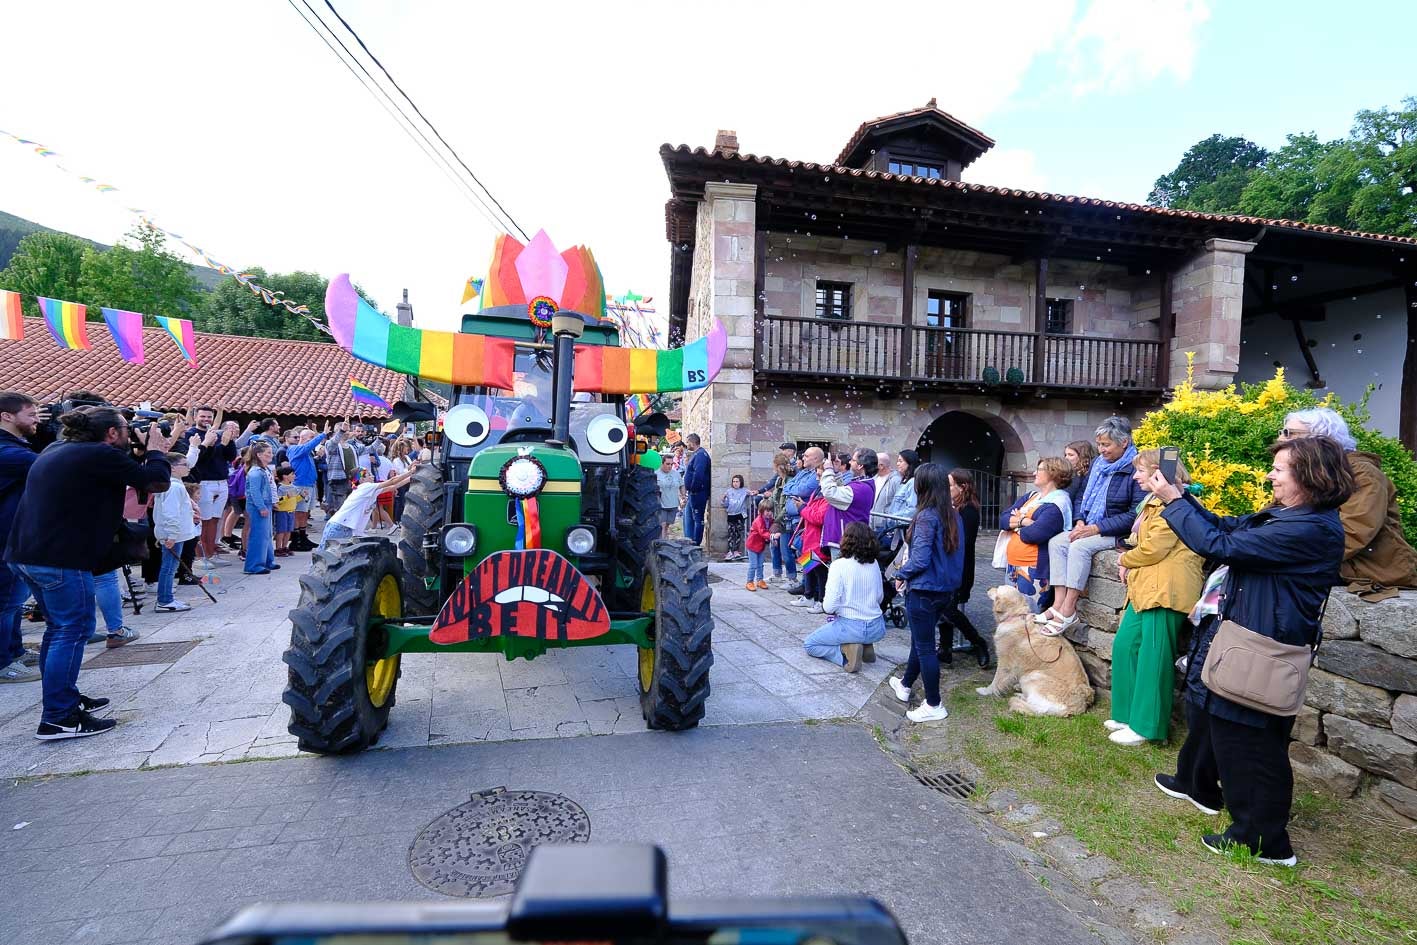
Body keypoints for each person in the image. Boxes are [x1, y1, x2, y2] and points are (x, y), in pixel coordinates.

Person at [1151, 437, 1354, 867]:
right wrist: (1182, 498)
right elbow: (1225, 528)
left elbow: (1219, 547)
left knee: (1254, 746)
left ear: (1310, 475)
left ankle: (1264, 842)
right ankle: (1249, 823)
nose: (1270, 476)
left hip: (1266, 651)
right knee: (1236, 736)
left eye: (1279, 469)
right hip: (1253, 644)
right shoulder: (1291, 517)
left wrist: (1172, 502)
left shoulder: (1310, 529)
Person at [5, 406, 174, 739]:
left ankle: (62, 699)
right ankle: (58, 717)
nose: (131, 432)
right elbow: (156, 481)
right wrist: (155, 447)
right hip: (59, 558)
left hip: (27, 554)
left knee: (58, 629)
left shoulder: (60, 448)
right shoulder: (98, 454)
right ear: (112, 433)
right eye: (127, 428)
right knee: (74, 628)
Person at [1107, 450, 1204, 746]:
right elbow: (1139, 541)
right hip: (1146, 587)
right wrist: (1129, 555)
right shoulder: (1153, 501)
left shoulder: (1177, 502)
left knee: (1154, 657)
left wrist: (1125, 561)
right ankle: (1126, 714)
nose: (1136, 476)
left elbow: (1154, 549)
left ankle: (1148, 726)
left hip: (1166, 590)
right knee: (1126, 645)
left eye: (1141, 471)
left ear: (1159, 474)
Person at [1279, 407, 1417, 597]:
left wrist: (1290, 556)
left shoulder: (1363, 474)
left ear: (1321, 439)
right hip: (1328, 560)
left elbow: (1353, 531)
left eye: (1289, 434)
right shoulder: (1308, 471)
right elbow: (1276, 516)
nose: (1280, 439)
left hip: (1367, 567)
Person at [1042, 417, 1144, 634]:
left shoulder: (1135, 468)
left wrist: (1095, 528)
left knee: (1079, 547)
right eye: (1099, 444)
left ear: (1124, 442)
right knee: (1058, 542)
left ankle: (1068, 610)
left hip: (1117, 531)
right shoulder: (1099, 464)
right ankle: (1058, 604)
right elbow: (1081, 497)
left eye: (1106, 445)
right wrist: (1080, 520)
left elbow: (1134, 514)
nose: (1101, 449)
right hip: (1089, 525)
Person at [888, 463, 965, 723]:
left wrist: (899, 574)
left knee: (924, 647)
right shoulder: (954, 515)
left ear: (922, 486)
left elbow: (920, 560)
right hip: (944, 590)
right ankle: (906, 684)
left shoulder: (926, 517)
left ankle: (934, 704)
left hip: (924, 590)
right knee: (920, 642)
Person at [803, 521, 887, 672]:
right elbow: (879, 598)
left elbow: (829, 607)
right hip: (877, 627)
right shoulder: (874, 563)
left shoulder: (839, 565)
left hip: (851, 627)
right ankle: (866, 646)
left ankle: (845, 654)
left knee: (810, 644)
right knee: (855, 630)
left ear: (846, 540)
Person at [0, 392, 40, 683]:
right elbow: (47, 466)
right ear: (7, 416)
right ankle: (3, 663)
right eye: (31, 415)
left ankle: (14, 650)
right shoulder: (8, 452)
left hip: (13, 535)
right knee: (5, 602)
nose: (38, 420)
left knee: (13, 600)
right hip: (4, 535)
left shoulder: (15, 446)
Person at [999, 458, 1073, 612]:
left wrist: (1016, 522)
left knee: (1028, 617)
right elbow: (1003, 519)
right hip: (1013, 565)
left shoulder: (1058, 503)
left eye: (1039, 469)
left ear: (1053, 474)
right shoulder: (1031, 496)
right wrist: (1024, 521)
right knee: (1010, 616)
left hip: (1034, 570)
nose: (1034, 473)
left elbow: (1034, 534)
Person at [938, 469, 990, 668]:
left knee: (948, 608)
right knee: (943, 606)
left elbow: (965, 542)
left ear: (963, 487)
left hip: (960, 567)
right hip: (947, 565)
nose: (947, 489)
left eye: (951, 485)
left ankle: (978, 642)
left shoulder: (969, 510)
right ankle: (945, 648)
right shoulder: (951, 506)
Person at [319, 461, 421, 550]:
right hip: (340, 527)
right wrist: (410, 472)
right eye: (368, 475)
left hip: (345, 528)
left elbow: (393, 486)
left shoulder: (369, 490)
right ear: (361, 480)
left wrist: (413, 476)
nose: (372, 476)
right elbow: (392, 481)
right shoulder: (365, 487)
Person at [183, 405, 238, 563]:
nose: (206, 420)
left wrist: (229, 442)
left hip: (221, 481)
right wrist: (212, 443)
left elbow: (230, 456)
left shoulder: (217, 434)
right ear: (195, 417)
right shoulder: (192, 434)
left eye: (209, 417)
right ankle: (201, 557)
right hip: (204, 482)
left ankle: (211, 553)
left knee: (215, 520)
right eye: (203, 416)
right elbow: (198, 460)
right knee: (203, 520)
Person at [153, 451, 202, 613]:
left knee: (170, 566)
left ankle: (166, 598)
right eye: (184, 465)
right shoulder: (173, 487)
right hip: (174, 535)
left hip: (176, 533)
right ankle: (164, 600)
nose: (188, 468)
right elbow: (170, 513)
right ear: (172, 468)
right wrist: (172, 535)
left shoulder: (174, 484)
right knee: (169, 567)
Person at [819, 448, 878, 559]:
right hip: (846, 538)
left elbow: (830, 493)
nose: (849, 462)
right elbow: (842, 495)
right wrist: (836, 472)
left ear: (860, 466)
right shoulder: (862, 484)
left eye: (853, 460)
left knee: (840, 574)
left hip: (845, 540)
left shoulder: (861, 488)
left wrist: (828, 471)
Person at [284, 424, 328, 551]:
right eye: (311, 437)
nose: (313, 440)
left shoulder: (306, 452)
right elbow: (308, 446)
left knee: (304, 513)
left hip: (308, 485)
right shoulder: (294, 448)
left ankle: (303, 537)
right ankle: (296, 539)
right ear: (303, 438)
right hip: (300, 485)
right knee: (299, 512)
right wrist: (322, 434)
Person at [792, 492, 831, 614]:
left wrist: (802, 508)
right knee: (809, 569)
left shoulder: (827, 499)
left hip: (816, 540)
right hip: (809, 538)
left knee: (820, 573)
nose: (817, 478)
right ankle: (808, 596)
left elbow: (818, 518)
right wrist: (803, 506)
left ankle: (821, 601)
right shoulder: (817, 493)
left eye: (820, 475)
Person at [242, 443, 278, 575]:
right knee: (258, 535)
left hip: (266, 503)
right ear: (259, 455)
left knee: (267, 534)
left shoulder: (264, 469)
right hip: (258, 506)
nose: (271, 455)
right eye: (267, 453)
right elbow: (254, 492)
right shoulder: (256, 472)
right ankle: (253, 565)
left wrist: (273, 501)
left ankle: (268, 560)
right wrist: (261, 506)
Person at [765, 453, 797, 586]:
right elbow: (774, 497)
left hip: (785, 521)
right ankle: (777, 573)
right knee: (774, 547)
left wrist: (777, 520)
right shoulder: (779, 480)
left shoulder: (790, 480)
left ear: (777, 466)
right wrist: (766, 507)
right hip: (777, 519)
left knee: (785, 550)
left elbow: (788, 504)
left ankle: (792, 578)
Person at [681, 433, 711, 545]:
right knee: (688, 516)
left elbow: (699, 474)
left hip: (698, 493)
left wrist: (693, 488)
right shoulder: (697, 454)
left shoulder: (701, 455)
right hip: (693, 493)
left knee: (698, 519)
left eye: (688, 442)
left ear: (693, 442)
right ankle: (688, 540)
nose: (687, 444)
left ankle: (695, 543)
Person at [744, 499, 773, 591]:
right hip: (752, 545)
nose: (769, 513)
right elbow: (763, 532)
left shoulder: (770, 520)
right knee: (753, 565)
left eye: (771, 511)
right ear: (761, 511)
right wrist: (772, 536)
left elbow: (771, 528)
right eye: (767, 511)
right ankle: (749, 581)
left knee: (760, 564)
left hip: (760, 546)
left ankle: (760, 580)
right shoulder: (758, 520)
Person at [869, 451, 901, 535]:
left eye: (874, 463)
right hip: (871, 525)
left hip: (885, 528)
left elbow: (899, 503)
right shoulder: (873, 479)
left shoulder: (896, 480)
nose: (871, 465)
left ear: (881, 466)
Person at [1063, 439, 1097, 514]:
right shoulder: (1071, 474)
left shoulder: (1086, 476)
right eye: (1065, 455)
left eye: (1070, 455)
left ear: (1082, 457)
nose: (1066, 458)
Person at [273, 465, 300, 557]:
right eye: (292, 474)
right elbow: (277, 500)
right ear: (285, 476)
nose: (294, 476)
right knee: (281, 531)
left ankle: (285, 547)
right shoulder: (280, 487)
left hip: (291, 511)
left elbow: (295, 499)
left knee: (288, 530)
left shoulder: (293, 487)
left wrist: (302, 496)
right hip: (282, 512)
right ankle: (278, 548)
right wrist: (286, 497)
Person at [721, 475, 750, 561]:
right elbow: (725, 504)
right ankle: (730, 551)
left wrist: (752, 493)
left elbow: (751, 494)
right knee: (731, 533)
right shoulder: (729, 491)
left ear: (741, 482)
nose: (735, 483)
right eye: (734, 481)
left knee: (738, 533)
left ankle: (736, 551)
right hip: (731, 514)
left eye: (737, 481)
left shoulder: (744, 491)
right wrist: (723, 499)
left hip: (740, 514)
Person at [654, 457, 682, 539]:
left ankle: (664, 539)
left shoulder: (676, 474)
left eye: (671, 464)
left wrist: (683, 496)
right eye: (667, 464)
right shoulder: (656, 474)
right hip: (661, 504)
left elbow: (682, 485)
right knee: (662, 524)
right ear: (662, 464)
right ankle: (662, 542)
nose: (670, 466)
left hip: (673, 503)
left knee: (667, 525)